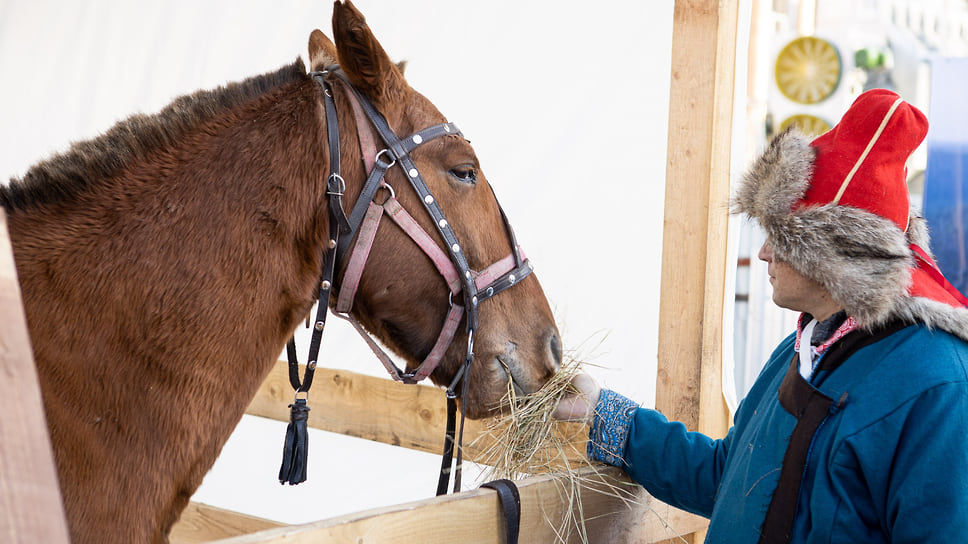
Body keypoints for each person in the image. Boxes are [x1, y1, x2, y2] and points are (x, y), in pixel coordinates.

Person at [554, 88, 968, 543]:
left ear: (833, 255)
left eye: (781, 237)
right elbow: (728, 478)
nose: (765, 252)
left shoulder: (937, 382)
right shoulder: (804, 349)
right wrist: (605, 415)